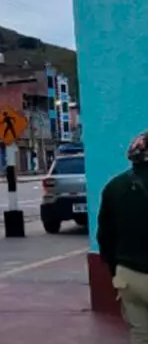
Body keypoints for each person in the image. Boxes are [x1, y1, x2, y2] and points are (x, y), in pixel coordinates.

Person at [98, 130, 148, 344]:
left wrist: (115, 269)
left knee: (140, 333)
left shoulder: (114, 187)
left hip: (129, 276)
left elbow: (105, 237)